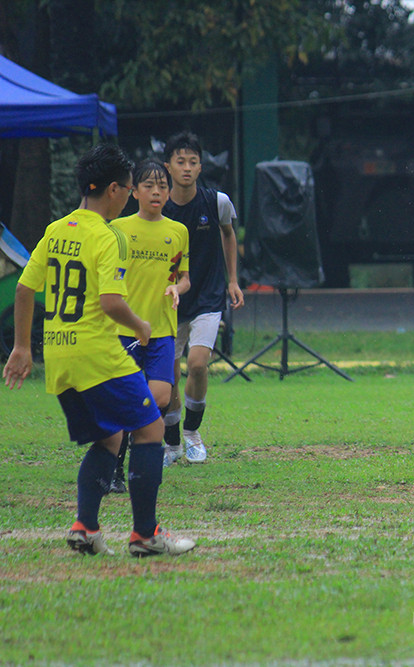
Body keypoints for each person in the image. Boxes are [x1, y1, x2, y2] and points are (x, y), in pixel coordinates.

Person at [2, 143, 194, 557]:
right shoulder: (107, 237)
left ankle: (86, 527)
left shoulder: (57, 229)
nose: (128, 195)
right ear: (114, 189)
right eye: (127, 188)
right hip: (98, 354)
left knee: (109, 438)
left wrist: (21, 347)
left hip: (59, 356)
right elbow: (110, 302)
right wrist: (141, 326)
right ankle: (146, 535)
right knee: (151, 429)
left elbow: (23, 288)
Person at [107, 159, 191, 492]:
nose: (156, 192)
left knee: (159, 396)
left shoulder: (178, 231)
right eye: (148, 186)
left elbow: (184, 277)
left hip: (162, 331)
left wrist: (177, 288)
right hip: (125, 330)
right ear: (135, 192)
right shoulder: (118, 229)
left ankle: (134, 460)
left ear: (169, 192)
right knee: (130, 400)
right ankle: (117, 468)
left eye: (162, 186)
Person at [162, 131, 244, 465]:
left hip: (208, 296)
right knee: (167, 375)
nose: (187, 168)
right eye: (180, 161)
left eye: (193, 162)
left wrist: (233, 280)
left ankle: (192, 435)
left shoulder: (217, 202)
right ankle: (171, 445)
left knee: (197, 364)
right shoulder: (158, 207)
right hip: (168, 301)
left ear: (200, 166)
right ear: (168, 166)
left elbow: (228, 233)